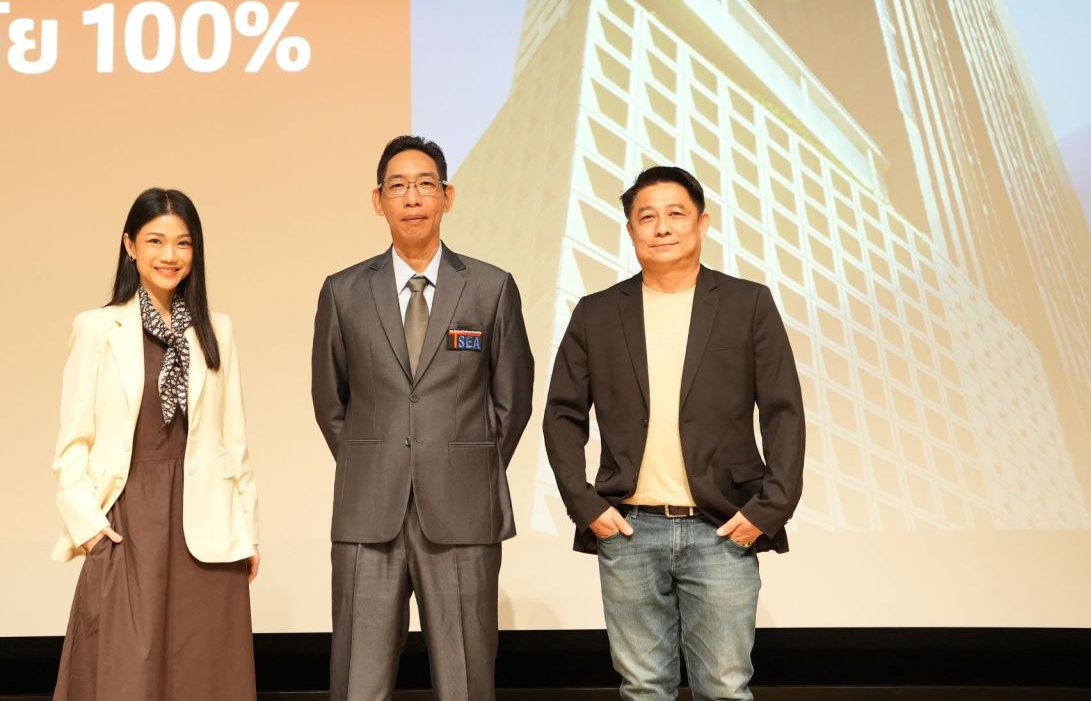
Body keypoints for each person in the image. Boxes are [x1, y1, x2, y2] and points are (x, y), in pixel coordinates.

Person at [542, 165, 804, 701]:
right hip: (629, 529)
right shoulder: (596, 313)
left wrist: (769, 509)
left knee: (725, 688)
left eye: (676, 214)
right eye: (647, 217)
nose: (662, 227)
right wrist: (585, 505)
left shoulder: (748, 303)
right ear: (631, 230)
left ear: (702, 223)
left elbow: (784, 412)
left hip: (722, 526)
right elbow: (562, 414)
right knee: (643, 688)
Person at [311, 135, 535, 701]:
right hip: (369, 511)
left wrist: (466, 465)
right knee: (358, 682)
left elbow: (512, 401)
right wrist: (377, 459)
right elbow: (330, 402)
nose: (412, 197)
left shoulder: (491, 288)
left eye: (424, 184)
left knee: (465, 682)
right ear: (378, 200)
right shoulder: (343, 292)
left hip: (463, 512)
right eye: (398, 186)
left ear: (447, 196)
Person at [50, 187, 260, 700]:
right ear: (130, 246)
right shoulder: (97, 328)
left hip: (206, 524)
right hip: (129, 524)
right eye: (156, 241)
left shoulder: (216, 330)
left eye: (183, 243)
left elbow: (233, 440)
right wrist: (90, 529)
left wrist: (247, 529)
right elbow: (73, 443)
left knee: (204, 676)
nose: (170, 255)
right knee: (128, 676)